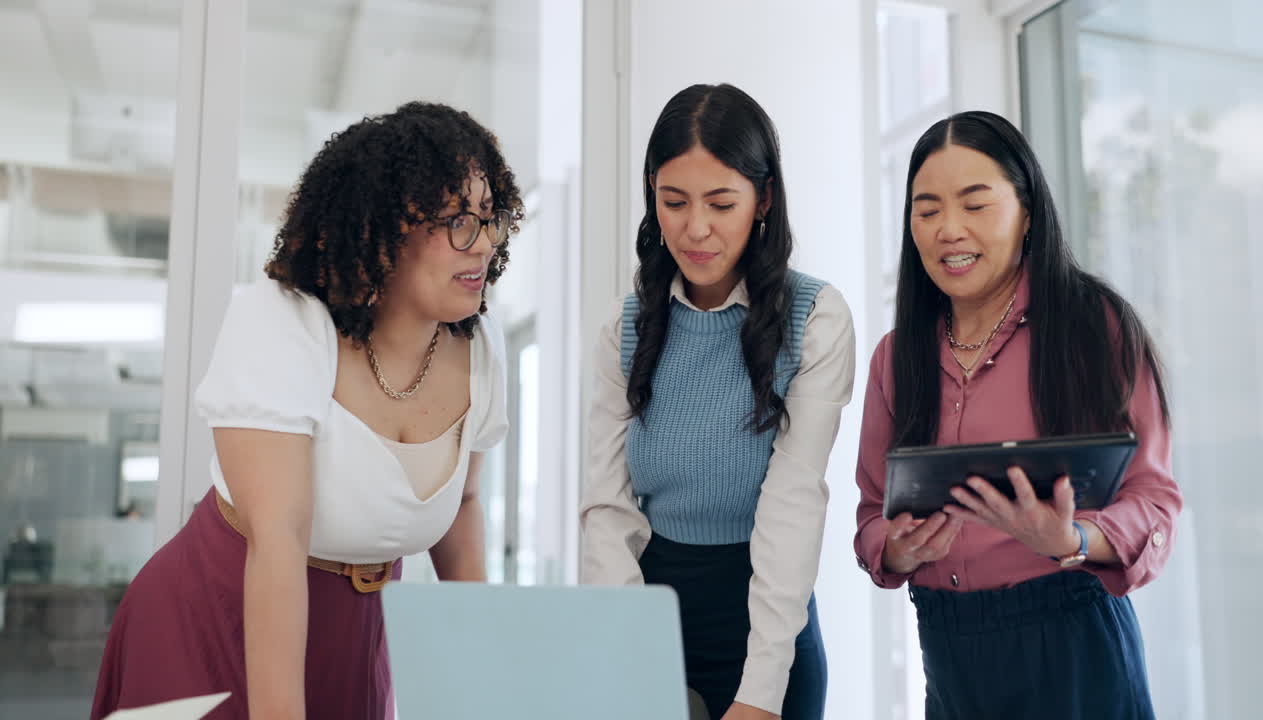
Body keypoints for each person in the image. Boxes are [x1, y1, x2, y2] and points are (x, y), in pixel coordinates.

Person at [92, 101, 521, 720]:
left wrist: (478, 675)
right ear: (381, 227)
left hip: (354, 631)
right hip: (220, 617)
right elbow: (279, 541)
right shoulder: (285, 322)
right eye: (457, 220)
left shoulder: (482, 348)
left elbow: (465, 508)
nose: (482, 243)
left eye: (491, 218)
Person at [853, 110, 1182, 719]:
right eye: (926, 211)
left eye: (975, 205)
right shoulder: (896, 358)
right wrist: (898, 549)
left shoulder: (1094, 328)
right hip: (949, 651)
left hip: (1072, 638)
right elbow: (872, 515)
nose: (949, 229)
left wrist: (1073, 537)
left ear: (1027, 212)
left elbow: (1155, 504)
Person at [580, 83, 855, 720]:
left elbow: (793, 503)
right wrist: (623, 654)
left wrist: (759, 695)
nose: (695, 228)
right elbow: (607, 510)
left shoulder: (814, 318)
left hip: (766, 626)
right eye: (673, 202)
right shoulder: (626, 329)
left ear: (763, 200)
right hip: (653, 621)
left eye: (721, 203)